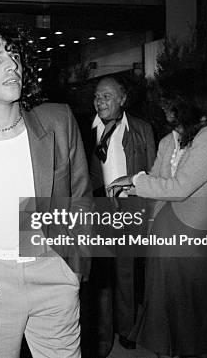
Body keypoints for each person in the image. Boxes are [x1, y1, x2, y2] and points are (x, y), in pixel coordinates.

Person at [0, 22, 92, 358]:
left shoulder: (58, 120)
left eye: (15, 56)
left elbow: (81, 195)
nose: (11, 65)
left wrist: (75, 266)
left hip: (53, 269)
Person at [108, 68, 207, 358]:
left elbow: (179, 187)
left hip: (196, 237)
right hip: (164, 234)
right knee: (162, 306)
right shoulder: (169, 140)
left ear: (188, 100)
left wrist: (134, 180)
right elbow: (157, 183)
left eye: (169, 100)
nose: (163, 106)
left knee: (193, 308)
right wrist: (126, 190)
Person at [84, 75, 156, 355]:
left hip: (130, 208)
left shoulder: (141, 129)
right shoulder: (85, 129)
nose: (100, 101)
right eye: (97, 96)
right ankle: (102, 337)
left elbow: (151, 171)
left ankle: (127, 329)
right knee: (100, 276)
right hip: (99, 208)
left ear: (123, 99)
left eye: (107, 96)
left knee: (126, 273)